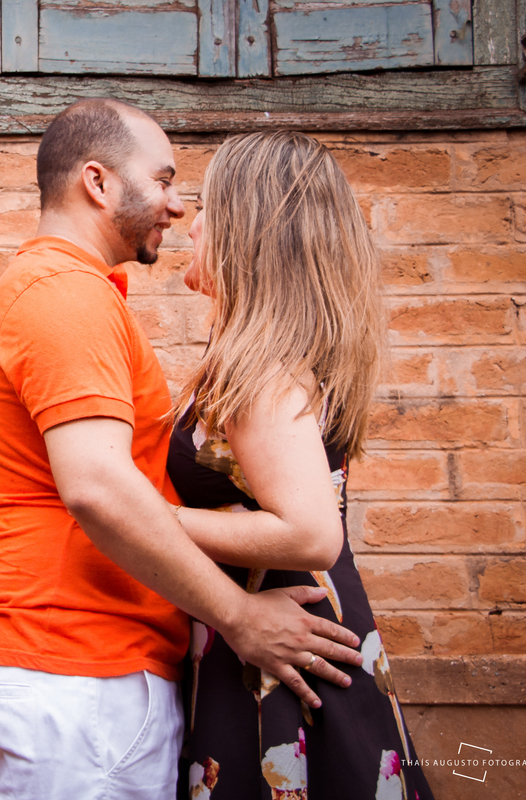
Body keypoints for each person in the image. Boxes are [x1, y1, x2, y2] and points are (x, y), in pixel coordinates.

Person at [0, 99, 364, 800]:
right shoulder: (65, 296)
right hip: (75, 667)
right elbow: (100, 490)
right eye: (165, 180)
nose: (178, 208)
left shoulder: (82, 296)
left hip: (89, 668)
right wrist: (238, 618)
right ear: (99, 183)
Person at [168, 130, 435, 799]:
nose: (191, 223)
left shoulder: (260, 370)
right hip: (285, 637)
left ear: (247, 229)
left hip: (281, 654)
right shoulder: (278, 357)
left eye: (208, 206)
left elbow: (312, 532)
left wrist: (151, 519)